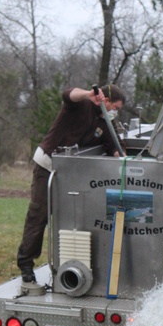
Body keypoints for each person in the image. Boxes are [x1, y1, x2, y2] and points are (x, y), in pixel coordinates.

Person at [16, 84, 126, 283]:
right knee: (39, 215)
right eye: (115, 107)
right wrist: (88, 94)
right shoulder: (81, 105)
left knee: (71, 218)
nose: (115, 113)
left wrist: (127, 163)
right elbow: (68, 94)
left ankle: (68, 264)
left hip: (71, 175)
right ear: (106, 101)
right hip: (48, 167)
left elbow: (116, 148)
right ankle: (26, 264)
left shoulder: (104, 123)